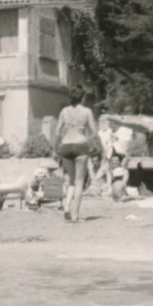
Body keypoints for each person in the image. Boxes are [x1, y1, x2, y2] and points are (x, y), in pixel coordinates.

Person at [55, 86, 98, 222]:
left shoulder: (64, 111)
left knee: (71, 181)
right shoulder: (87, 111)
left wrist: (56, 148)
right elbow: (94, 132)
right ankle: (75, 215)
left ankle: (67, 207)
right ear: (82, 97)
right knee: (80, 182)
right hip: (80, 145)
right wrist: (91, 142)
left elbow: (57, 133)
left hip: (66, 146)